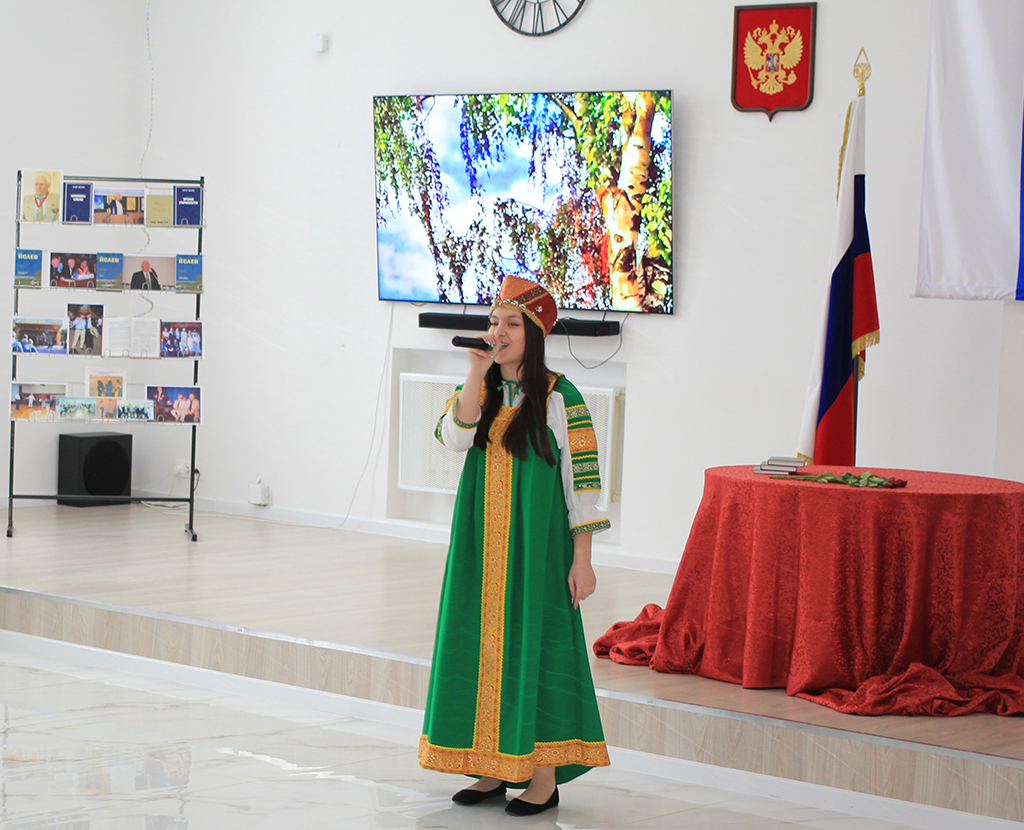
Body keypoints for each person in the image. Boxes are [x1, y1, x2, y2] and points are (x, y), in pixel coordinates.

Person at [419, 275, 611, 817]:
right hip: (480, 546)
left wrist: (582, 561)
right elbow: (453, 437)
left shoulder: (560, 396)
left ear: (534, 334)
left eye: (511, 324)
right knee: (479, 643)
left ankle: (543, 779)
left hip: (536, 549)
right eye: (492, 322)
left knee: (536, 645)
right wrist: (474, 371)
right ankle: (490, 767)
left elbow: (583, 485)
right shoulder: (481, 389)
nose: (497, 332)